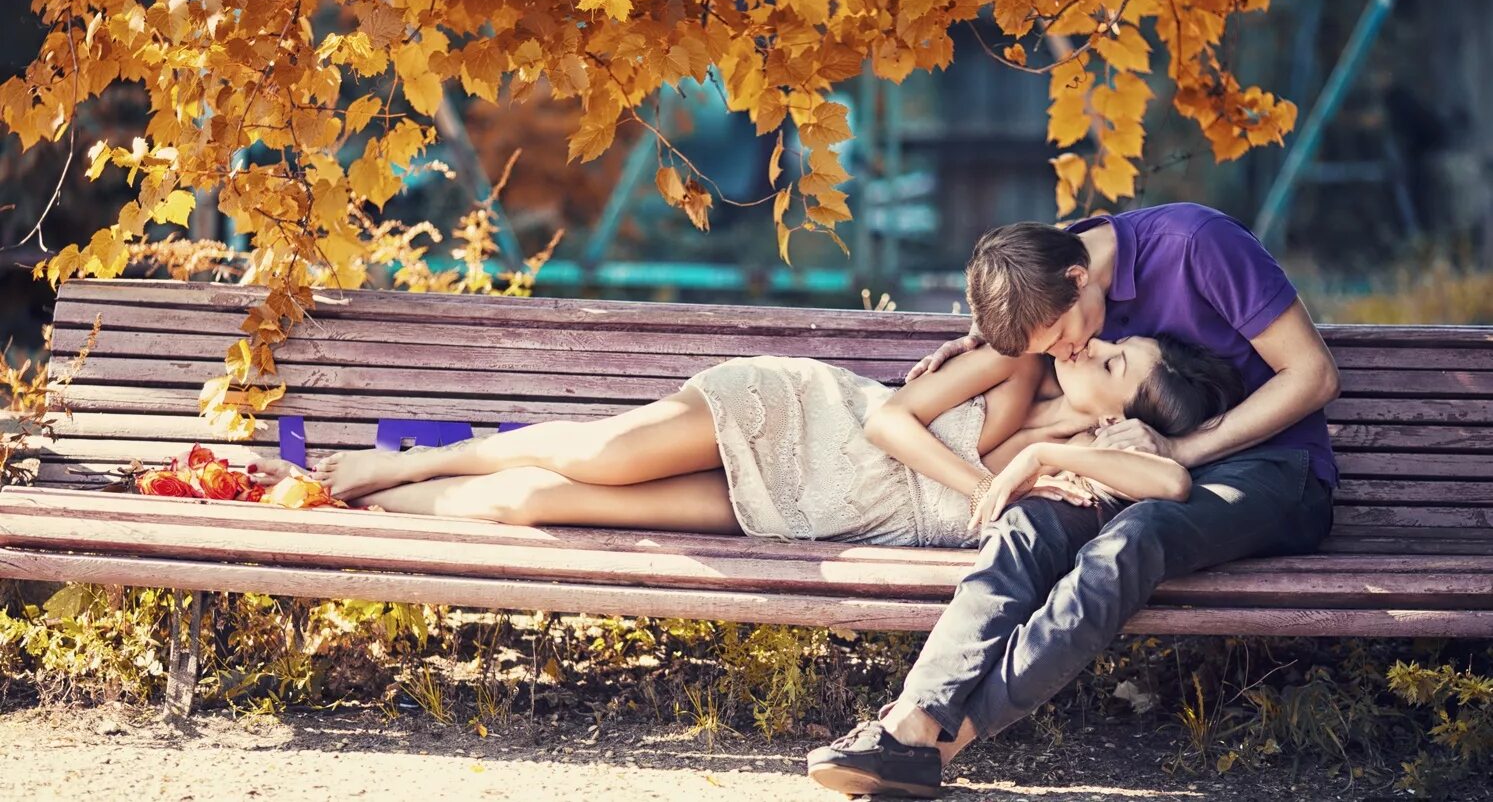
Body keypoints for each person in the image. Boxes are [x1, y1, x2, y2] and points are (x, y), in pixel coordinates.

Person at [805, 203, 1339, 798]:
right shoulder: (1052, 273)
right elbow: (1032, 322)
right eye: (1049, 349)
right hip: (1123, 466)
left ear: (1080, 280)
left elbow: (1313, 374)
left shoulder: (1199, 245)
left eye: (1061, 339)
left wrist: (1181, 448)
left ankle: (940, 748)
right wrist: (988, 346)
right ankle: (911, 722)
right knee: (1025, 525)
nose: (1066, 355)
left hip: (1269, 468)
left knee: (1131, 541)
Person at [247, 278, 1243, 549]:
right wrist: (994, 478)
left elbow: (1170, 477)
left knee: (543, 509)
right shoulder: (1015, 360)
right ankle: (395, 466)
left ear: (1127, 408)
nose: (1086, 343)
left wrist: (1025, 468)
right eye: (1099, 336)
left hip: (807, 508)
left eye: (1109, 356)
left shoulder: (1106, 448)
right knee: (598, 456)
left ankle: (363, 505)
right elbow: (890, 416)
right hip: (796, 420)